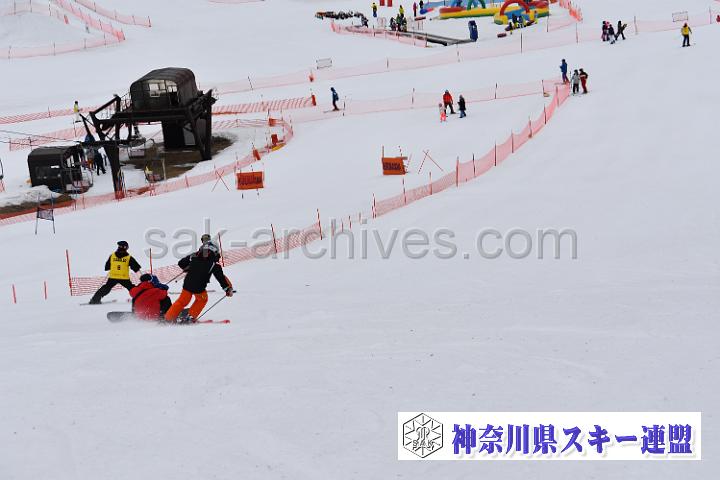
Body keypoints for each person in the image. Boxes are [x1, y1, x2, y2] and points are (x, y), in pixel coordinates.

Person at [164, 242, 233, 323]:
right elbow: (220, 278)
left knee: (182, 301)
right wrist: (227, 289)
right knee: (202, 299)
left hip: (187, 284)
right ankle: (190, 317)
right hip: (199, 287)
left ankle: (168, 318)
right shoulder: (214, 264)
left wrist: (187, 267)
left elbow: (181, 263)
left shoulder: (194, 256)